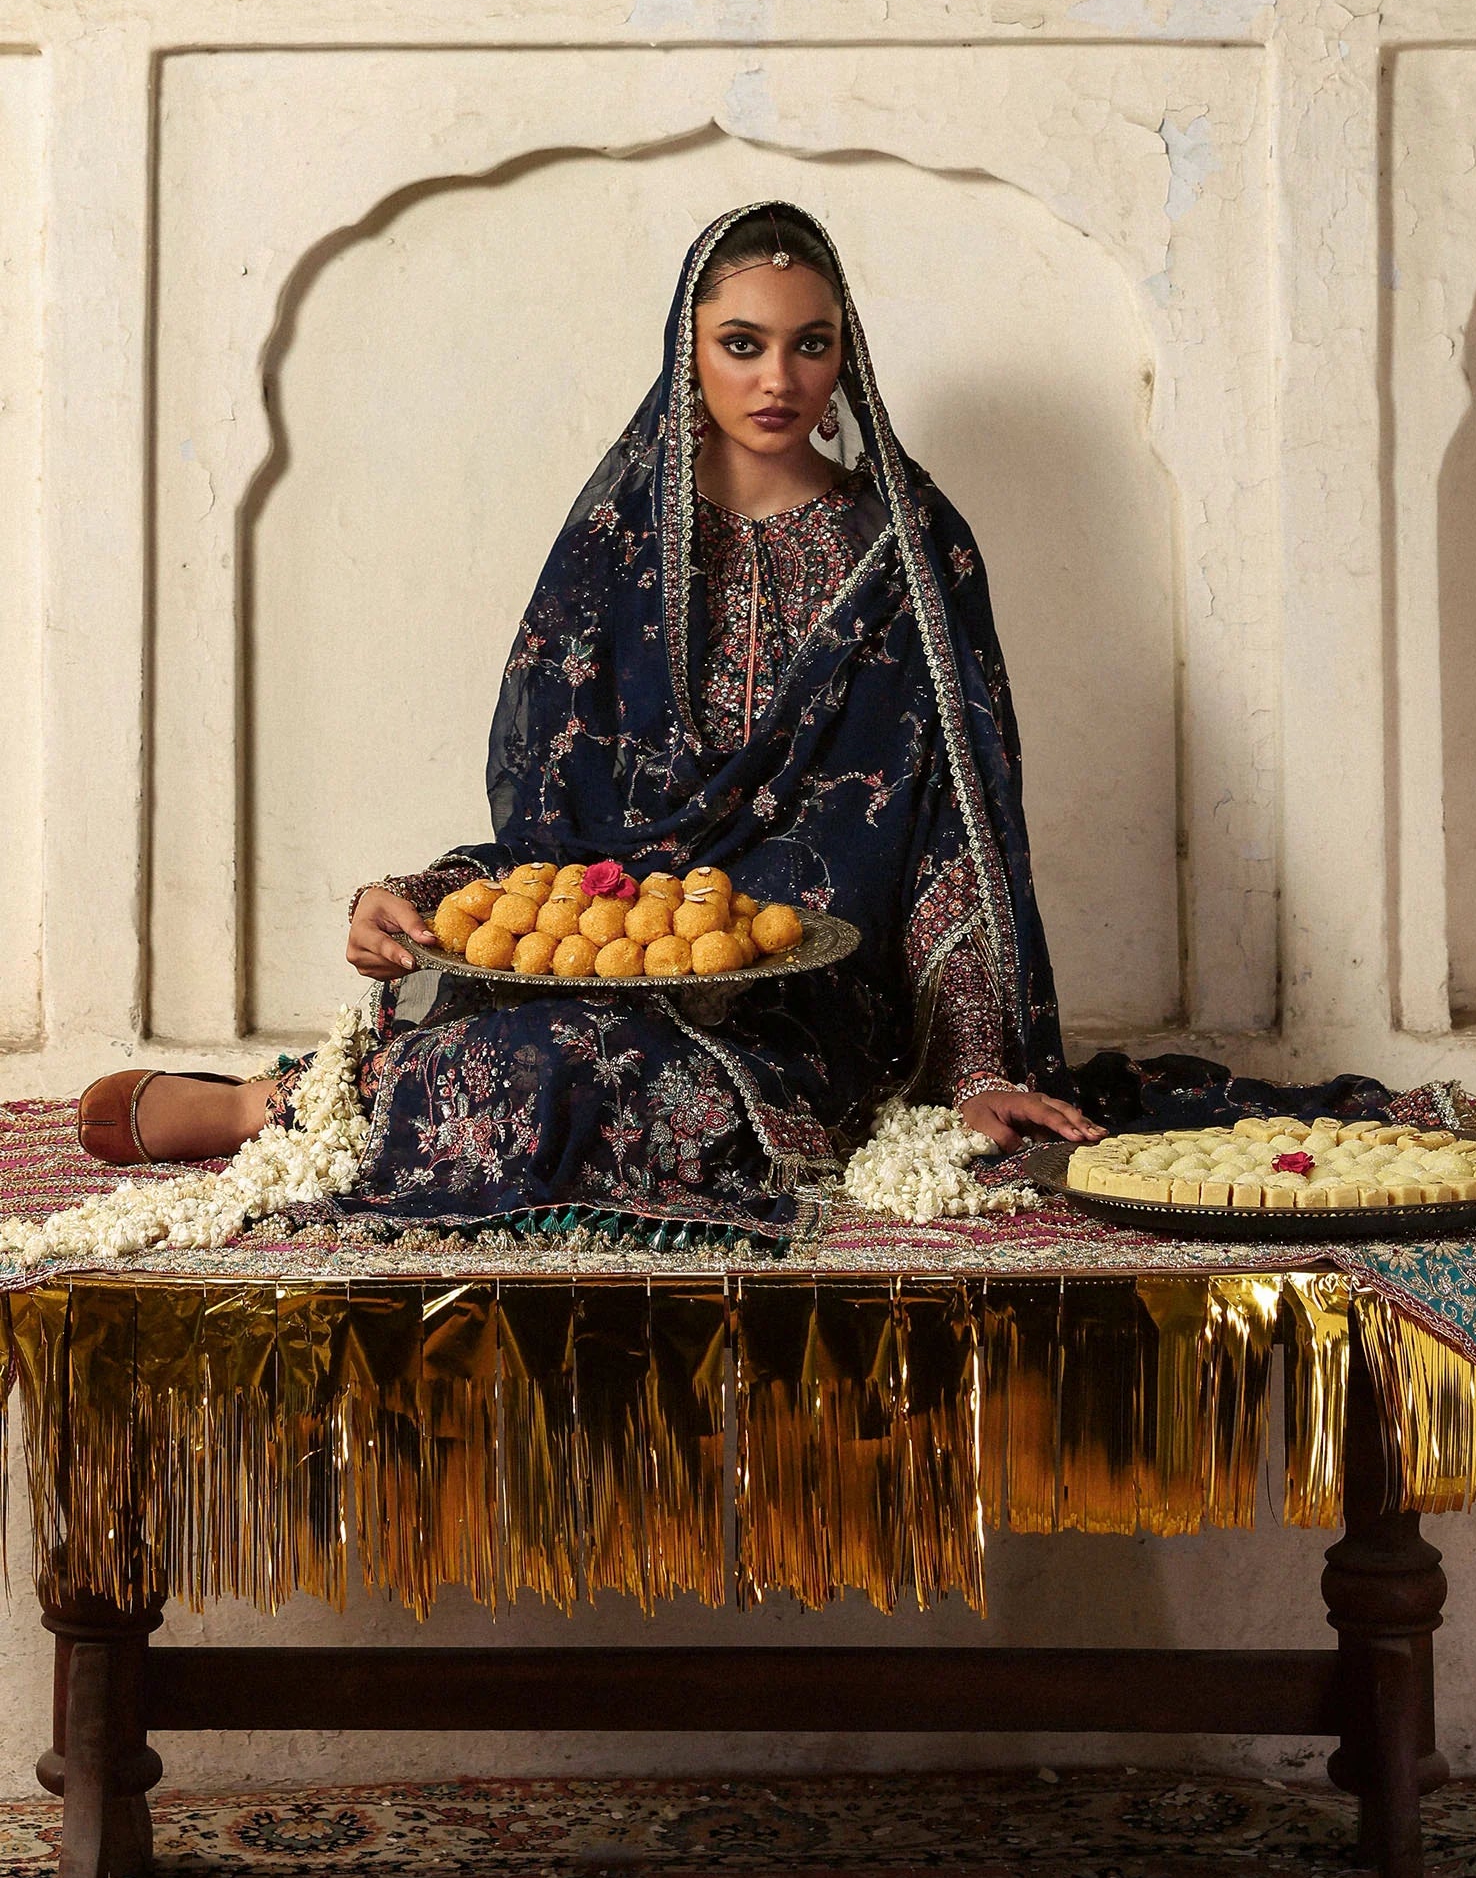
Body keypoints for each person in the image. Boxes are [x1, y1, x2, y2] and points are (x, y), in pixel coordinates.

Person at [76, 201, 1102, 1248]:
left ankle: (304, 1109)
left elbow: (951, 826)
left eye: (812, 344)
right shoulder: (619, 543)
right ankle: (280, 1105)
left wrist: (974, 1067)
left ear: (848, 357)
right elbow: (554, 827)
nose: (779, 380)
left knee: (611, 1075)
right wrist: (426, 899)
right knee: (548, 1038)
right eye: (741, 345)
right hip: (605, 941)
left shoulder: (911, 554)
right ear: (688, 352)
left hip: (800, 985)